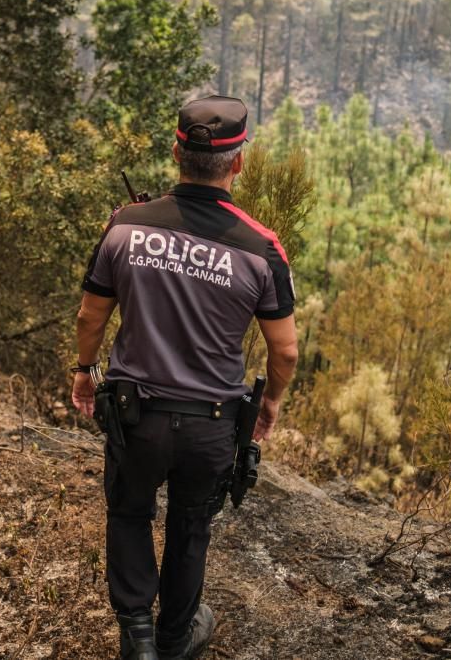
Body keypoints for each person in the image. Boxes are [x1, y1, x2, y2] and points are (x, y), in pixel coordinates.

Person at [71, 95, 298, 660]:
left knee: (129, 511)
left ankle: (138, 637)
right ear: (238, 162)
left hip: (135, 417)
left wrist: (82, 371)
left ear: (176, 152)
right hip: (213, 425)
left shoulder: (126, 226)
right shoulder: (262, 249)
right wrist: (268, 404)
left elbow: (89, 316)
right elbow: (285, 352)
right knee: (191, 524)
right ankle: (175, 636)